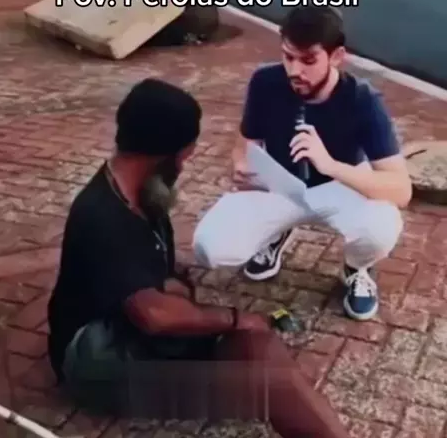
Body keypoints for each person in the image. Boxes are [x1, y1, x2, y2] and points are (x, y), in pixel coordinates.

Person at [47, 78, 351, 438]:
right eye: (185, 154)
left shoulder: (143, 192)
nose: (185, 163)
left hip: (131, 333)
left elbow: (155, 277)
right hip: (95, 362)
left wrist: (187, 297)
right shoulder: (105, 215)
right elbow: (156, 316)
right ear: (164, 154)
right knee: (267, 379)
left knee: (259, 347)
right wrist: (235, 317)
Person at [229, 5, 412, 321]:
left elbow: (401, 190)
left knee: (381, 227)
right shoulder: (265, 81)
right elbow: (246, 139)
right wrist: (242, 165)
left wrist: (330, 165)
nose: (294, 70)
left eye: (308, 60)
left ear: (337, 56)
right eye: (288, 57)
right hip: (281, 185)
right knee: (212, 247)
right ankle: (275, 235)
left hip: (340, 187)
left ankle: (356, 269)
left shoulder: (363, 99)